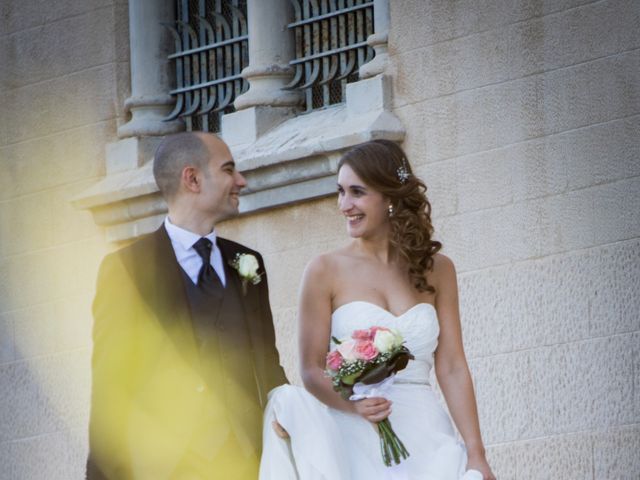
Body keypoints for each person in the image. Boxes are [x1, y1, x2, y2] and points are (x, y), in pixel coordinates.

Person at [260, 140, 495, 480]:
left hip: (427, 433)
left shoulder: (438, 269)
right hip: (354, 436)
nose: (344, 205)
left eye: (357, 192)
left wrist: (477, 453)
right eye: (340, 192)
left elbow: (453, 366)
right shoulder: (324, 270)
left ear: (390, 198)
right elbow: (311, 369)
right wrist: (352, 406)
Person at [86, 132, 287, 479]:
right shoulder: (127, 270)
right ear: (192, 179)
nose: (242, 181)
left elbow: (268, 363)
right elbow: (110, 389)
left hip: (249, 463)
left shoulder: (247, 262)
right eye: (229, 170)